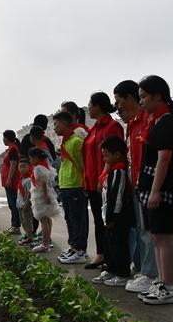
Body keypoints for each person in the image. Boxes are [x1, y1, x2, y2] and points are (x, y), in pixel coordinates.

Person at [136, 75, 173, 305]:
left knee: (164, 237)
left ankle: (169, 286)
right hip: (151, 187)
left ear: (158, 96)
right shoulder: (155, 122)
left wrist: (155, 191)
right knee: (156, 236)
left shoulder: (167, 123)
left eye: (144, 97)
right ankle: (161, 281)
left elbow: (163, 159)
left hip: (162, 190)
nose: (142, 101)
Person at [113, 80, 160, 293]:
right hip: (135, 184)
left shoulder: (148, 121)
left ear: (132, 99)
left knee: (148, 230)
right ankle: (142, 269)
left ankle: (150, 274)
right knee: (140, 229)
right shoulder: (131, 124)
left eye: (119, 101)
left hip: (147, 183)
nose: (118, 107)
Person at [83, 92, 124, 269]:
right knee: (99, 220)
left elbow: (116, 155)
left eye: (90, 104)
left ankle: (112, 258)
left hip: (106, 182)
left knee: (110, 221)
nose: (88, 108)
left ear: (98, 106)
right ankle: (102, 254)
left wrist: (103, 177)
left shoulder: (112, 126)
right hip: (92, 182)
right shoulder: (94, 128)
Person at [92, 136, 134, 287]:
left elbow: (117, 197)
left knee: (119, 245)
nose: (104, 159)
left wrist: (113, 217)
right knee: (109, 244)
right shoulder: (112, 171)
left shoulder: (119, 172)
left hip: (117, 217)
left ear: (117, 155)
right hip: (109, 216)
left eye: (106, 155)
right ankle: (111, 269)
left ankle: (122, 273)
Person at [53, 111, 89, 264]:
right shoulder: (65, 142)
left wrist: (84, 183)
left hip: (76, 185)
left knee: (78, 218)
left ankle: (80, 250)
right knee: (69, 217)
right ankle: (73, 246)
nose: (54, 128)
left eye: (56, 124)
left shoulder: (76, 141)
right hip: (65, 185)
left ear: (65, 123)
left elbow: (84, 165)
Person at [29, 147, 59, 253]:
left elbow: (43, 183)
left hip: (41, 196)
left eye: (31, 158)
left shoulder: (38, 168)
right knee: (47, 220)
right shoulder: (46, 166)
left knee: (44, 221)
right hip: (47, 195)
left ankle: (44, 244)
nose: (30, 161)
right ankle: (46, 242)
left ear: (36, 158)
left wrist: (45, 196)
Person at [1, 130, 21, 234]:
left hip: (11, 181)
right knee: (11, 203)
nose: (3, 139)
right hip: (8, 180)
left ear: (7, 138)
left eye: (3, 137)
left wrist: (9, 179)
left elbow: (13, 165)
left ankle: (16, 226)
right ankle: (14, 224)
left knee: (13, 203)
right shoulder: (10, 149)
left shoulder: (13, 149)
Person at [16, 157, 35, 246]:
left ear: (29, 167)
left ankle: (30, 237)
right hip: (20, 204)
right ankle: (27, 236)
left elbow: (29, 193)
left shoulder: (28, 180)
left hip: (25, 204)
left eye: (24, 167)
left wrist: (27, 204)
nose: (22, 169)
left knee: (27, 220)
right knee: (23, 220)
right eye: (20, 167)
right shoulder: (21, 178)